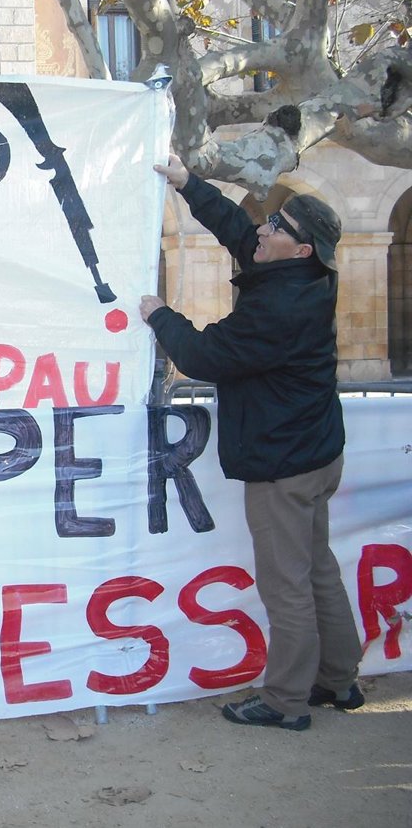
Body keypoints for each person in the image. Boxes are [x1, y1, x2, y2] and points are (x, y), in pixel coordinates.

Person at [140, 156, 364, 732]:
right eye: (272, 218)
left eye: (279, 226)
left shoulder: (279, 307)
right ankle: (339, 678)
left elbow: (204, 355)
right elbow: (240, 232)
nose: (264, 228)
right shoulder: (300, 275)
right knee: (317, 569)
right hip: (315, 452)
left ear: (301, 249)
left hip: (284, 465)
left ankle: (287, 702)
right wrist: (189, 183)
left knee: (287, 586)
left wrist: (161, 316)